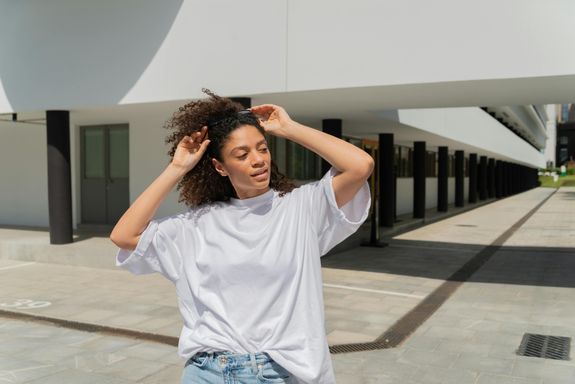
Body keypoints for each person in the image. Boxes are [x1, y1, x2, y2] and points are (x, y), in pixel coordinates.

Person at [110, 89, 374, 384]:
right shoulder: (195, 225)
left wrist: (289, 128)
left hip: (279, 372)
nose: (258, 160)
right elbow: (124, 235)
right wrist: (177, 168)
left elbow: (360, 166)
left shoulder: (301, 207)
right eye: (242, 154)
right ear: (220, 167)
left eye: (262, 148)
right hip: (207, 371)